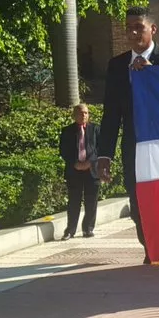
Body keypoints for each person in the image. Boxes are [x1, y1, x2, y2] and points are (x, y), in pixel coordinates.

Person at [97, 5, 159, 265]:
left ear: (153, 29)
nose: (134, 32)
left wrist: (153, 74)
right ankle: (151, 249)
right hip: (134, 147)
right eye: (129, 28)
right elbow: (111, 113)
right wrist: (105, 154)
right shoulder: (116, 66)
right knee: (138, 201)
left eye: (139, 27)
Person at [59, 103, 101, 240]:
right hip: (74, 171)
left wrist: (90, 162)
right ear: (74, 115)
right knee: (73, 201)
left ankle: (88, 229)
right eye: (81, 113)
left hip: (92, 170)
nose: (84, 115)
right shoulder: (67, 131)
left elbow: (100, 148)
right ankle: (70, 230)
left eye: (86, 113)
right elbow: (63, 150)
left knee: (91, 201)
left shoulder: (95, 129)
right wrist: (74, 163)